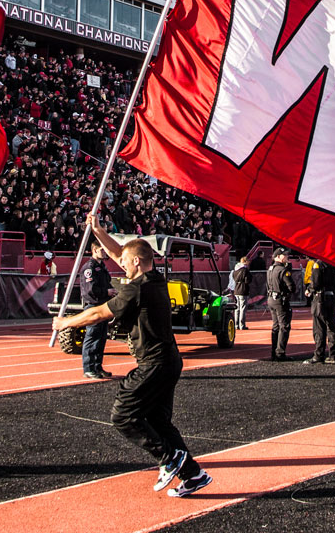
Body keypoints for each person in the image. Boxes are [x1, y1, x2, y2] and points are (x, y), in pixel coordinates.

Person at [51, 212, 212, 498]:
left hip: (153, 363)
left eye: (124, 262)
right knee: (159, 422)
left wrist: (65, 323)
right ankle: (193, 474)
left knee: (123, 415)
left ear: (136, 262)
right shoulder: (154, 278)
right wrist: (98, 230)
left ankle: (170, 459)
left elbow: (99, 313)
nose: (119, 265)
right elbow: (120, 253)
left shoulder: (136, 290)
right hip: (168, 361)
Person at [80, 241, 114, 379]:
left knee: (101, 337)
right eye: (102, 249)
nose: (104, 251)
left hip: (103, 305)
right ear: (94, 250)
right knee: (92, 336)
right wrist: (107, 292)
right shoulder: (90, 267)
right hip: (94, 305)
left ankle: (97, 366)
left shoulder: (101, 266)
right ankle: (88, 368)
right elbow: (90, 290)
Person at [303, 257, 335, 365]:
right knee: (332, 327)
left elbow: (315, 282)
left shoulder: (318, 264)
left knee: (319, 328)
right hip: (331, 297)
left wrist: (309, 290)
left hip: (320, 298)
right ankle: (333, 355)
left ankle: (319, 355)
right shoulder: (333, 264)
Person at [265, 250, 295, 361]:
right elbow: (291, 287)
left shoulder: (270, 269)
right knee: (284, 326)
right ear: (278, 256)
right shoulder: (283, 270)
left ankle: (274, 352)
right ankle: (280, 353)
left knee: (276, 326)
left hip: (271, 299)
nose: (287, 257)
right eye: (285, 255)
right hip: (280, 300)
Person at [229, 253, 253, 330]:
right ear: (245, 261)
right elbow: (247, 280)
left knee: (237, 308)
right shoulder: (245, 270)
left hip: (236, 289)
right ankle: (242, 325)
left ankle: (236, 325)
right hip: (243, 290)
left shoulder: (235, 270)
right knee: (243, 308)